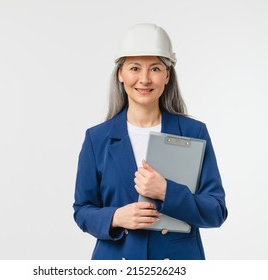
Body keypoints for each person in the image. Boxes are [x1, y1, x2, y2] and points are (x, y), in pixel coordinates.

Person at [73, 23, 228, 260]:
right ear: (120, 74)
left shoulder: (193, 132)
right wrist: (115, 218)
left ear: (167, 75)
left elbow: (216, 211)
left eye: (155, 68)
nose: (144, 79)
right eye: (135, 68)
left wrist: (167, 192)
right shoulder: (97, 138)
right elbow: (82, 210)